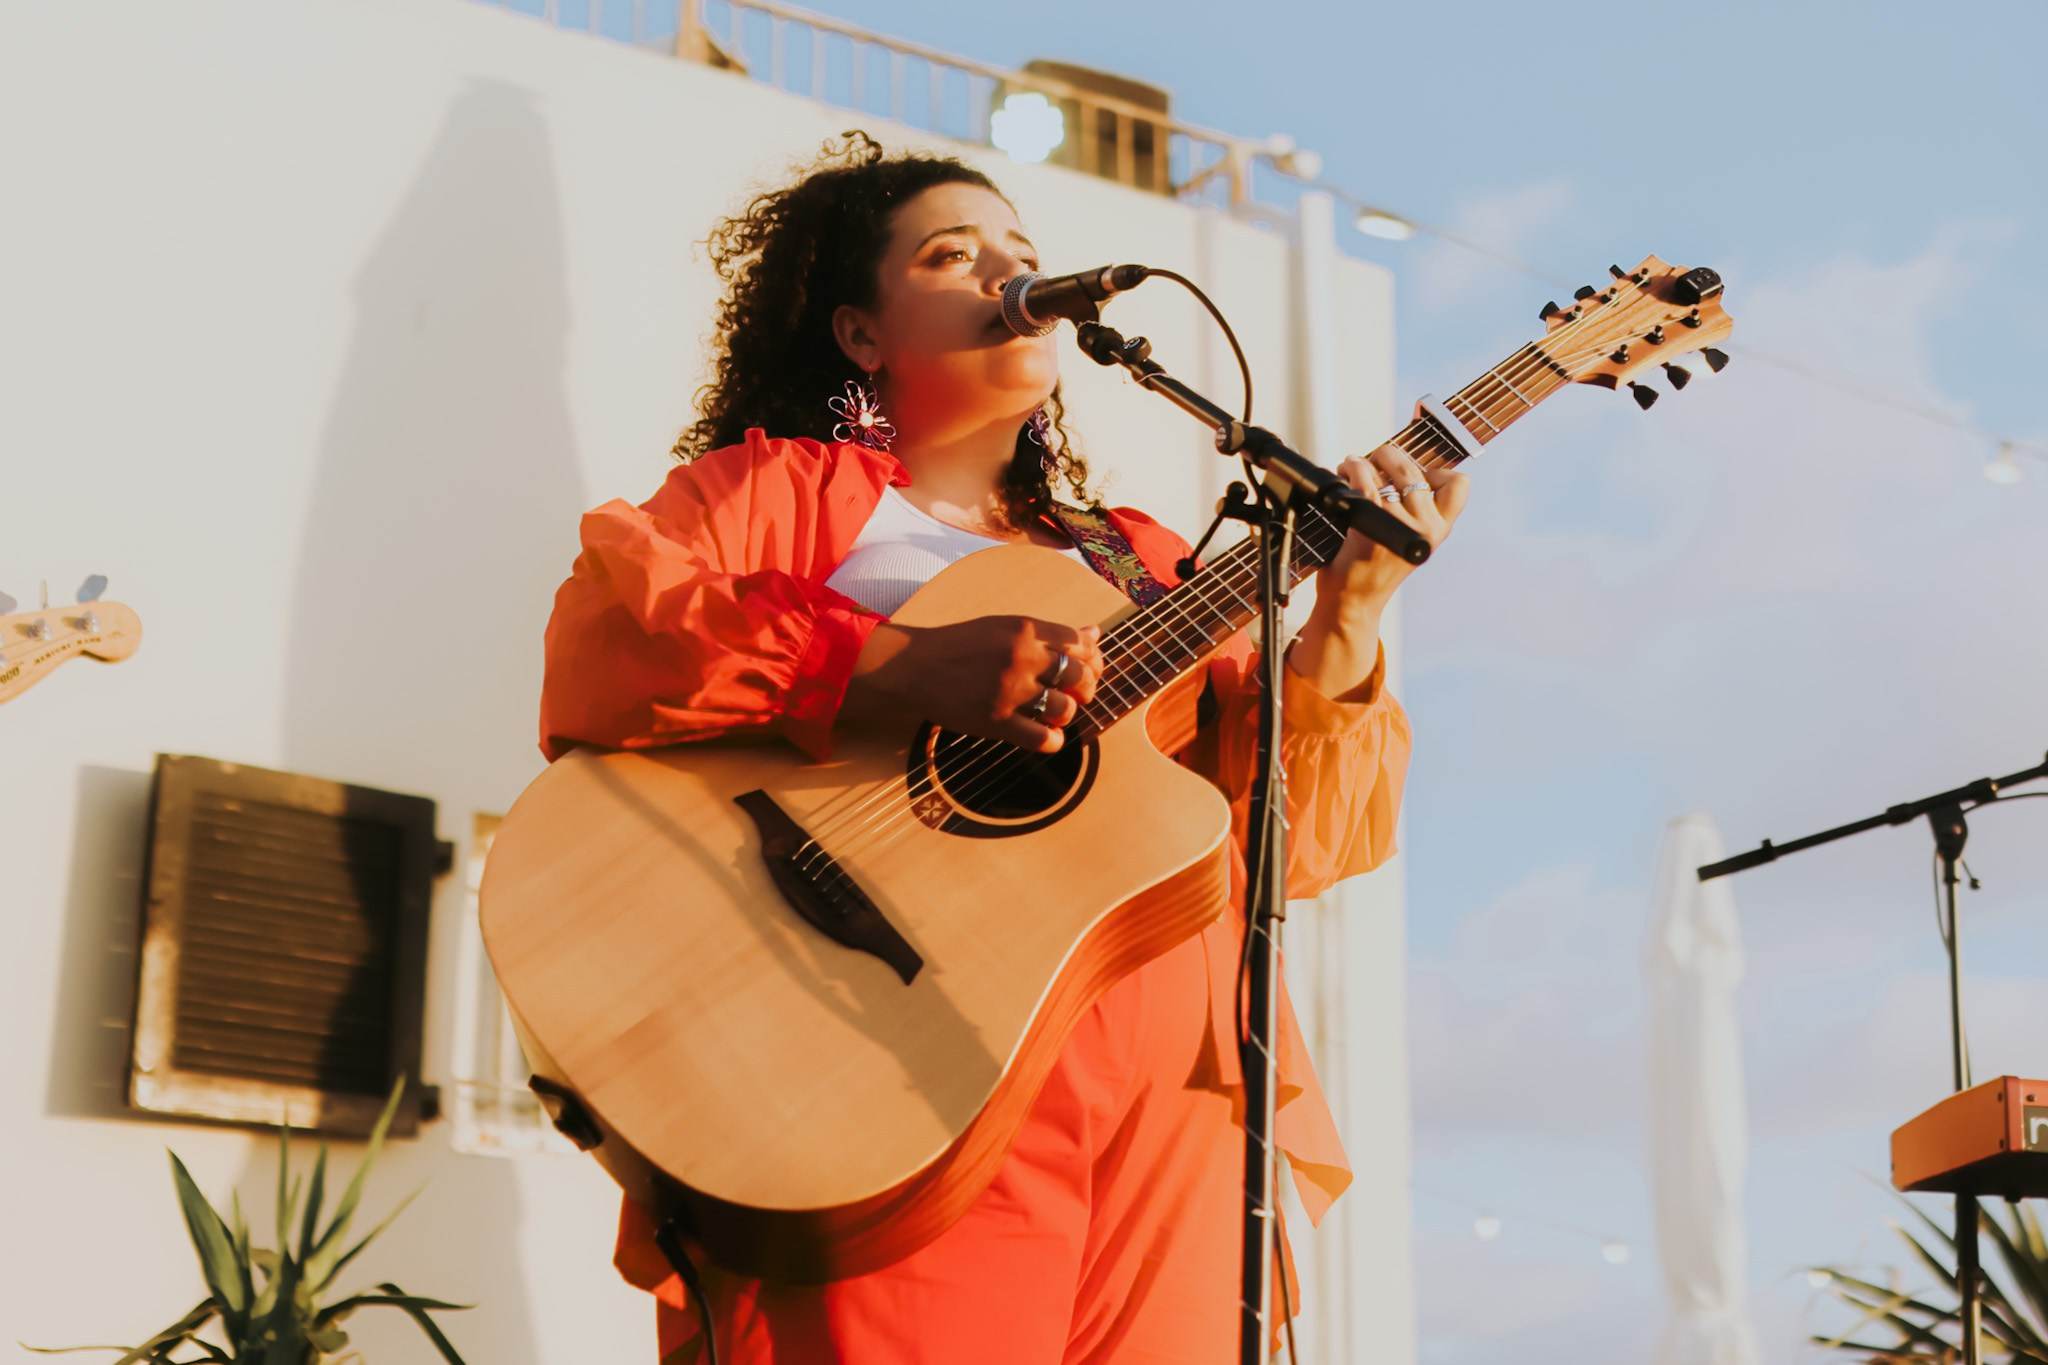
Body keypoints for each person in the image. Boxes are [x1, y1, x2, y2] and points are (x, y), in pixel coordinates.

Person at [538, 132, 1467, 1365]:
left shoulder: (1134, 560)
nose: (1009, 277)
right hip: (891, 1062)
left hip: (1174, 1085)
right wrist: (898, 667)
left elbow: (1287, 844)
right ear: (862, 335)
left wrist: (1348, 614)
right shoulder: (783, 496)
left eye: (1023, 258)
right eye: (952, 255)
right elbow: (616, 633)